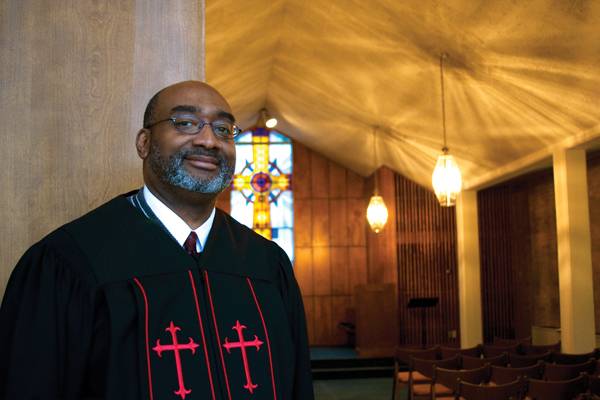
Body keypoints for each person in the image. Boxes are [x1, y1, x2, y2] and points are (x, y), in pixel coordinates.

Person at [0, 81, 314, 400]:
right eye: (185, 123)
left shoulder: (266, 264)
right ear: (144, 142)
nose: (209, 140)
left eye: (223, 129)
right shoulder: (68, 262)